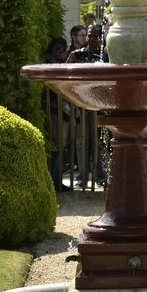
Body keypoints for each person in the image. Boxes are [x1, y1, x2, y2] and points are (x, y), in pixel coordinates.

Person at [66, 24, 106, 186]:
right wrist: (70, 61)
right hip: (81, 105)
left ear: (100, 37)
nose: (92, 39)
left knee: (98, 142)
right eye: (89, 35)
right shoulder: (78, 54)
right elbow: (65, 73)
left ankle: (100, 176)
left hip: (99, 105)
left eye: (95, 36)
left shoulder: (104, 56)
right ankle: (83, 176)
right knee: (81, 141)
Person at [42, 37, 70, 191]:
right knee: (57, 146)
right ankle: (54, 181)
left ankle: (56, 180)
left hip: (59, 109)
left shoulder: (51, 60)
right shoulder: (49, 61)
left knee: (60, 145)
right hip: (54, 109)